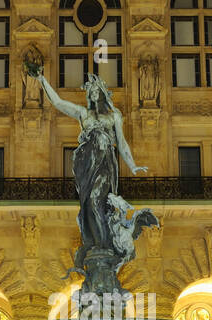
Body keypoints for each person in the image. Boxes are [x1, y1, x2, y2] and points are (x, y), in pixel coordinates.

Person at [33, 65, 147, 275]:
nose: (93, 94)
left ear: (103, 93)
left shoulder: (114, 116)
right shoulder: (83, 114)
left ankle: (103, 246)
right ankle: (98, 244)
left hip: (105, 163)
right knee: (88, 204)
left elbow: (121, 143)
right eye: (90, 92)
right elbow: (57, 102)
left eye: (96, 91)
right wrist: (41, 79)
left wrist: (132, 165)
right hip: (87, 164)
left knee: (97, 200)